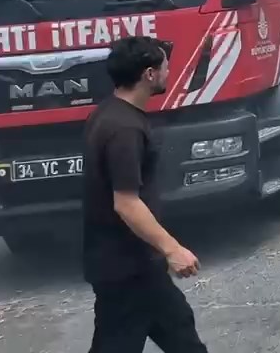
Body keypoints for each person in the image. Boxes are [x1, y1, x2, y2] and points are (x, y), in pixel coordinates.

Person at [82, 36, 208, 353]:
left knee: (180, 330)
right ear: (149, 74)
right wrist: (172, 249)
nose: (169, 72)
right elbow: (125, 203)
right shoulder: (124, 128)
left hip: (135, 264)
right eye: (165, 67)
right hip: (125, 268)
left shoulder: (109, 113)